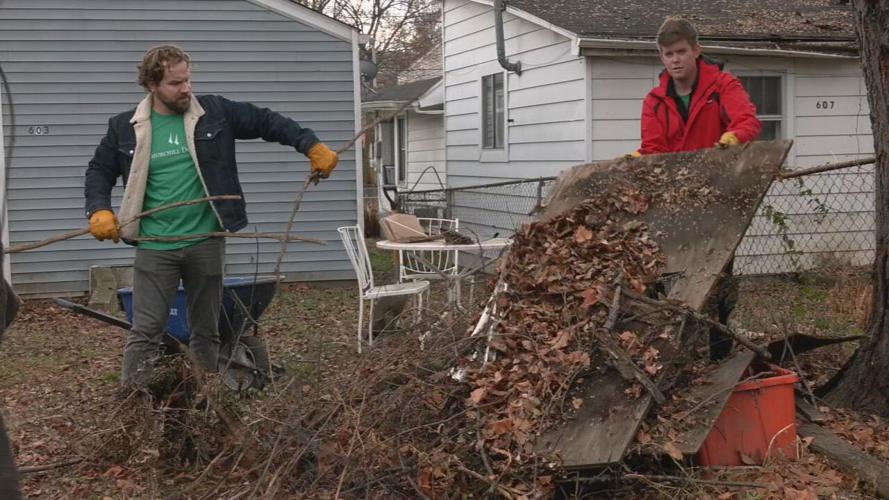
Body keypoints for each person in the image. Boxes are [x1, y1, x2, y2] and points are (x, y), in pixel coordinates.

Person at [84, 45, 339, 388]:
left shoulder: (215, 112)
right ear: (152, 85)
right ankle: (133, 407)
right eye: (176, 83)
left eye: (188, 79)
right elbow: (98, 171)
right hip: (155, 245)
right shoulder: (126, 128)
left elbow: (267, 122)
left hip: (206, 241)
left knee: (207, 332)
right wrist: (99, 209)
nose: (186, 88)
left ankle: (206, 402)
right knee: (145, 331)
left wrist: (311, 145)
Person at [634, 17, 762, 360]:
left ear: (696, 51)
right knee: (668, 280)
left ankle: (719, 354)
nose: (674, 60)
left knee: (718, 282)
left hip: (717, 200)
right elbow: (654, 149)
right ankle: (675, 356)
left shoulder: (723, 86)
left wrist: (734, 137)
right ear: (661, 58)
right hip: (673, 202)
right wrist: (642, 162)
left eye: (680, 52)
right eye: (667, 54)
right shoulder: (655, 100)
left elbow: (748, 120)